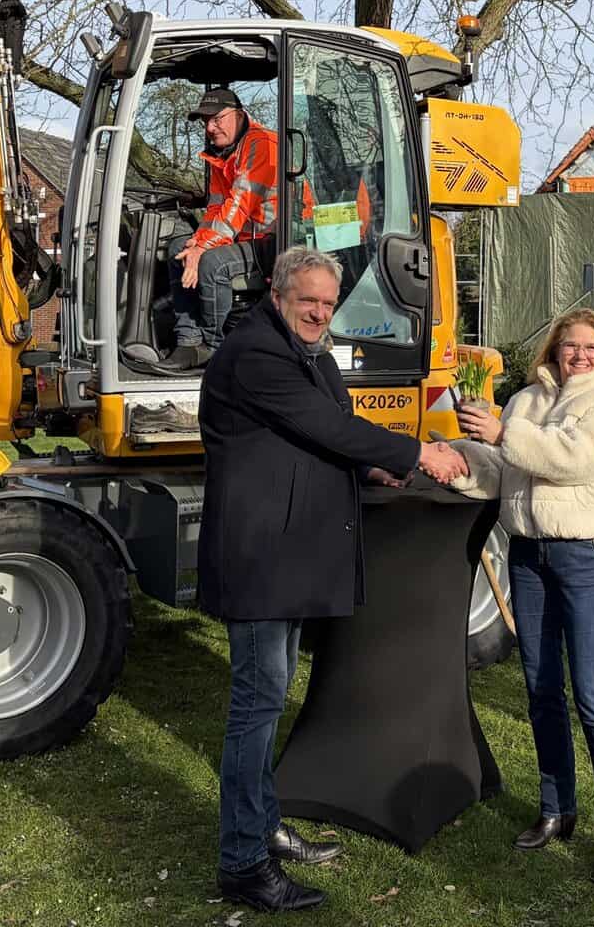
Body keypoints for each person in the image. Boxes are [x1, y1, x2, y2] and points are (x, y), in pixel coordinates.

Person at [198, 246, 467, 912]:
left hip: (288, 560)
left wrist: (372, 466)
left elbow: (332, 433)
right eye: (308, 301)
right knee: (256, 710)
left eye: (327, 303)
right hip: (261, 560)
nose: (320, 313)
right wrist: (418, 452)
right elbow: (321, 423)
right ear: (277, 294)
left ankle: (264, 827)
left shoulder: (307, 352)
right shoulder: (257, 353)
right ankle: (243, 864)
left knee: (268, 700)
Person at [448, 309, 594, 883]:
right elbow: (502, 472)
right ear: (554, 349)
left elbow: (572, 460)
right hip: (528, 555)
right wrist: (457, 457)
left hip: (586, 554)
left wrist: (503, 434)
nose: (579, 355)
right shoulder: (525, 401)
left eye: (589, 347)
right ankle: (557, 809)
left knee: (593, 696)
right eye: (569, 345)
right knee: (541, 689)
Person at [159, 88, 277, 371]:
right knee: (178, 250)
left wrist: (203, 249)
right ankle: (188, 340)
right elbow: (215, 209)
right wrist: (196, 243)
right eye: (205, 121)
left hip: (274, 239)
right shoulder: (221, 155)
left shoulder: (262, 144)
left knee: (212, 263)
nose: (210, 128)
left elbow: (239, 204)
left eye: (217, 119)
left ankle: (213, 346)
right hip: (242, 236)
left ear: (239, 114)